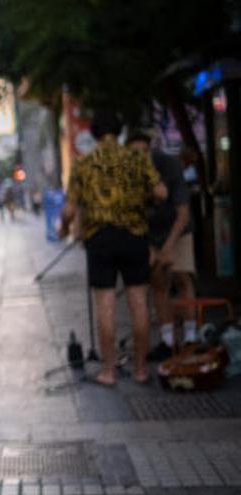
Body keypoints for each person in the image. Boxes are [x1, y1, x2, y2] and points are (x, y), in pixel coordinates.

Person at [59, 111, 167, 387]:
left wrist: (62, 228)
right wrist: (139, 200)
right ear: (118, 132)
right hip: (134, 236)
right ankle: (141, 370)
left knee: (105, 306)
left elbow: (70, 210)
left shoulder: (83, 164)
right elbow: (161, 193)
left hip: (100, 239)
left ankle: (108, 371)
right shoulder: (136, 158)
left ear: (94, 134)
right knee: (139, 303)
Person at [126, 130, 198, 360]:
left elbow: (183, 214)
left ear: (151, 150)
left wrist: (168, 247)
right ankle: (168, 341)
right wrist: (150, 248)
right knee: (158, 281)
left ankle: (191, 337)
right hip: (151, 233)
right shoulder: (127, 175)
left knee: (181, 276)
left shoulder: (170, 166)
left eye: (143, 153)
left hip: (178, 229)